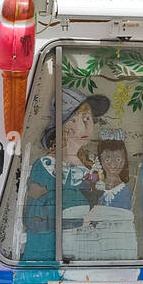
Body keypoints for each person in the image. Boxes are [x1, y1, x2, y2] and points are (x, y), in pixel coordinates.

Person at [22, 87, 110, 261]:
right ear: (63, 127)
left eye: (88, 118)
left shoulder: (92, 166)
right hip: (46, 261)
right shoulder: (47, 167)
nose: (85, 125)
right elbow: (34, 220)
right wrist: (79, 220)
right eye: (76, 119)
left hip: (83, 258)